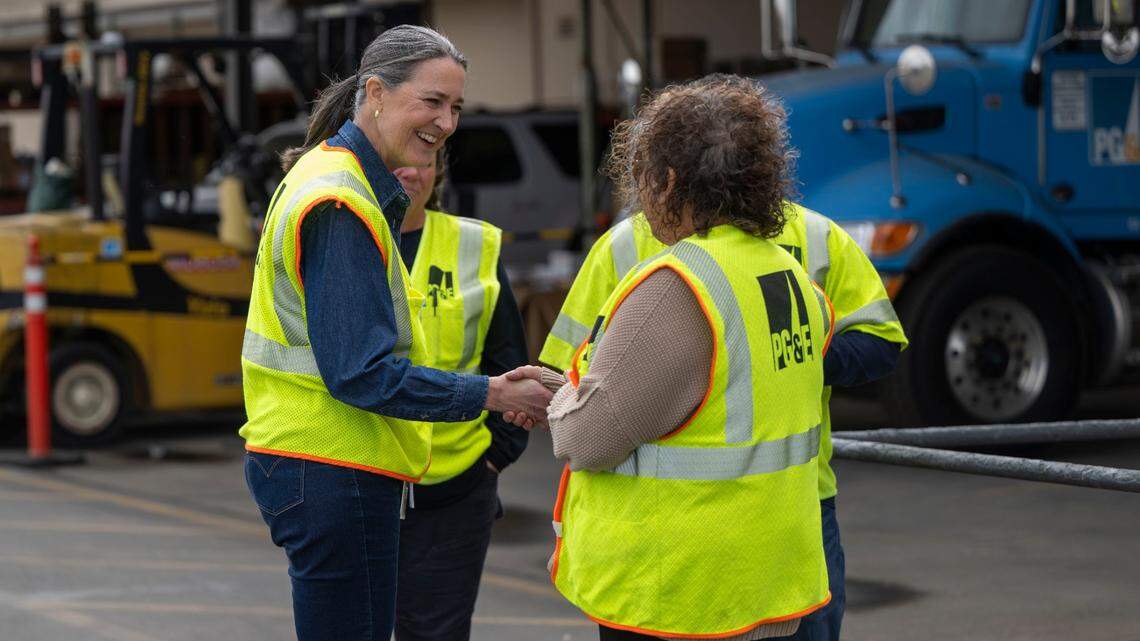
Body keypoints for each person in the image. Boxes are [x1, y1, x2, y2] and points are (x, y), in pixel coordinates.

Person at [539, 78, 908, 641]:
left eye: (642, 178)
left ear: (666, 180)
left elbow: (585, 436)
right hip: (772, 553)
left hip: (680, 573)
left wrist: (569, 394)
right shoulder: (788, 270)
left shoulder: (675, 280)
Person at [239, 25, 550, 641]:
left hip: (315, 462)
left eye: (456, 107)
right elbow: (361, 371)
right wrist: (491, 394)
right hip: (331, 463)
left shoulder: (327, 177)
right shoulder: (342, 201)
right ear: (375, 93)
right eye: (432, 101)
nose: (447, 122)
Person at [390, 151, 530, 641]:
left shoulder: (474, 244)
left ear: (439, 172)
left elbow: (508, 361)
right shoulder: (343, 237)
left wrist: (495, 458)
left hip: (455, 490)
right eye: (395, 161)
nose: (409, 172)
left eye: (423, 161)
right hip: (362, 487)